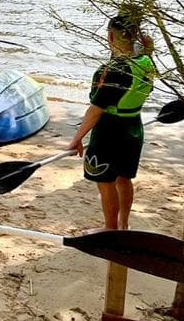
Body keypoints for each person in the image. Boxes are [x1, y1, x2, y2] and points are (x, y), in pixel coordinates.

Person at [66, 15, 155, 230]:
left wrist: (76, 139)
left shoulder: (113, 70)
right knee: (124, 178)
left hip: (109, 131)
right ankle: (123, 225)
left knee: (105, 182)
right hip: (133, 127)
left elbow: (96, 110)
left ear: (111, 37)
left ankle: (110, 228)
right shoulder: (146, 62)